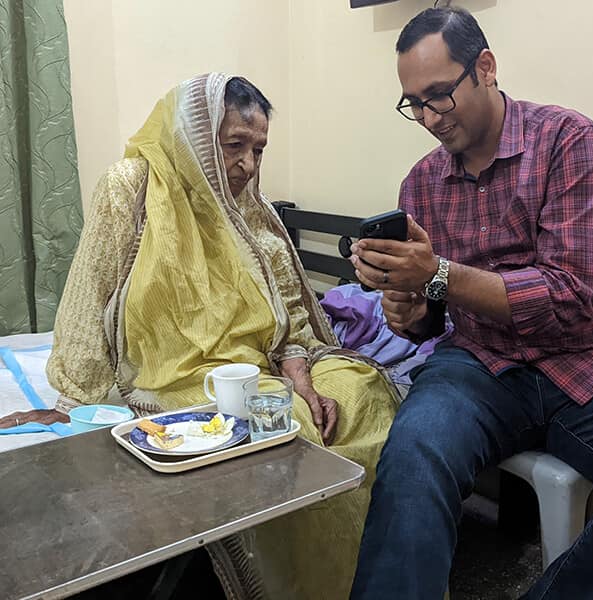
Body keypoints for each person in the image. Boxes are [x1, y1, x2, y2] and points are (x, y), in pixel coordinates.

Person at [348, 7, 593, 599]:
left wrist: (439, 275)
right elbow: (432, 312)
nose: (428, 118)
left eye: (439, 96)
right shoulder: (422, 184)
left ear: (485, 67)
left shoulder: (570, 143)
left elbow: (569, 297)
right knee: (411, 458)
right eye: (414, 103)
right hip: (481, 361)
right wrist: (410, 311)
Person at [0, 73, 398, 599]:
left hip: (264, 364)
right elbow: (90, 293)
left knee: (360, 393)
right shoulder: (132, 187)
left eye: (258, 149)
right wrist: (74, 400)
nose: (249, 165)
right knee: (279, 430)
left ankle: (377, 576)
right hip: (179, 377)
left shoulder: (253, 210)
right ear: (194, 136)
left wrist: (301, 368)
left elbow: (290, 309)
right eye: (234, 145)